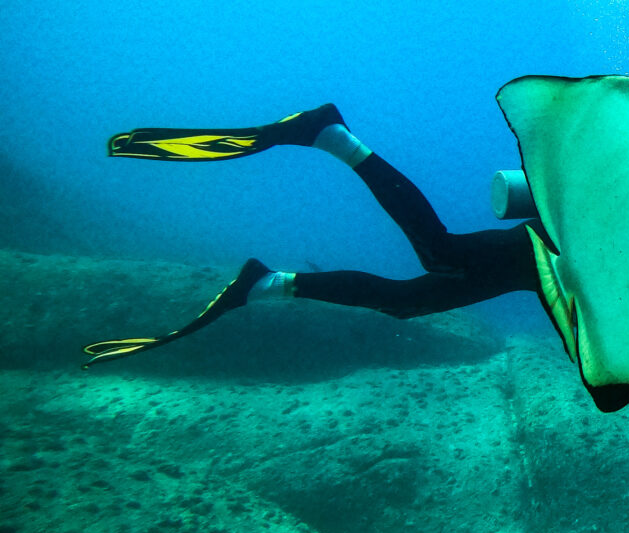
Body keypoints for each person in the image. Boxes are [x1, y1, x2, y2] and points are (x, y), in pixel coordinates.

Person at [82, 103, 545, 368]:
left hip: (559, 266)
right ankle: (330, 134)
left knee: (406, 302)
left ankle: (268, 283)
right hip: (558, 248)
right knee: (442, 253)